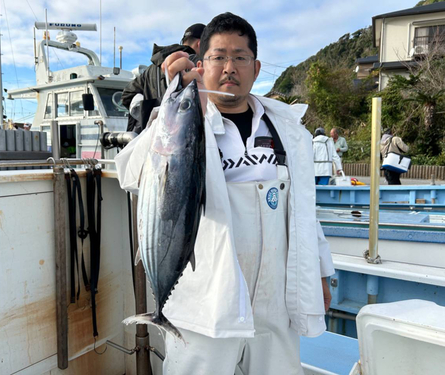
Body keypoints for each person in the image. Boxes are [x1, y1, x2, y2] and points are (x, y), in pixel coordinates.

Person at [115, 13, 334, 375]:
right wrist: (171, 96)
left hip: (275, 303)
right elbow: (131, 173)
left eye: (240, 57)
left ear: (256, 66)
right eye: (218, 57)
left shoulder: (286, 129)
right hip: (207, 305)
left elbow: (302, 212)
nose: (229, 67)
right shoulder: (182, 119)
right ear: (202, 65)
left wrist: (322, 272)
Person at [121, 23, 206, 134]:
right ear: (200, 44)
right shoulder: (197, 64)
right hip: (185, 137)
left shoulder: (150, 70)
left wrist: (146, 116)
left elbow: (127, 94)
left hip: (152, 138)